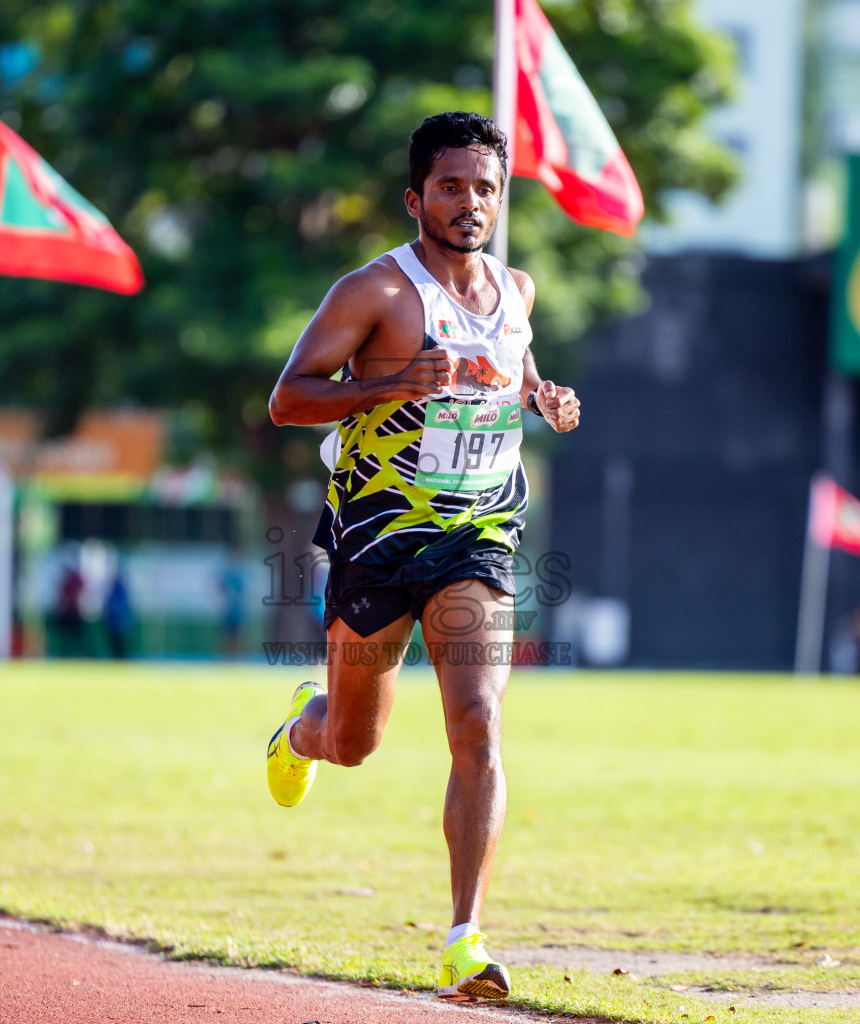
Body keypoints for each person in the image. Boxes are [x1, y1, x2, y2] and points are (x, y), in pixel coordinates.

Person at [263, 111, 580, 1002]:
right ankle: (301, 730)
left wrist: (544, 398)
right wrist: (387, 384)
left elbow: (505, 378)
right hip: (375, 539)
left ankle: (465, 939)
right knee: (354, 742)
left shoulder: (516, 291)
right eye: (451, 186)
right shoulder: (375, 292)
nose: (469, 202)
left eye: (484, 186)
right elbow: (289, 399)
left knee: (477, 720)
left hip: (478, 536)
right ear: (416, 199)